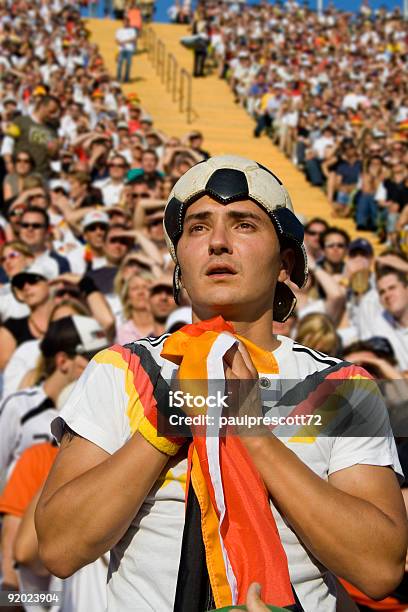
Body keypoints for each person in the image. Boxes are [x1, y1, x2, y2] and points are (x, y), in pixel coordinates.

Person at [35, 156, 406, 611]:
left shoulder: (342, 385)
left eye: (244, 224)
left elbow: (380, 567)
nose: (217, 243)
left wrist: (253, 430)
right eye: (197, 227)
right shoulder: (122, 369)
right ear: (179, 262)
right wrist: (165, 424)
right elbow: (58, 546)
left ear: (285, 262)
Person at [115, 17, 137, 84]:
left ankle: (126, 78)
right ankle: (118, 77)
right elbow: (116, 39)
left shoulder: (132, 30)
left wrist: (124, 41)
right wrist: (120, 43)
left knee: (128, 63)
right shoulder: (119, 30)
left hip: (129, 49)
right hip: (121, 49)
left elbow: (134, 39)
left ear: (128, 22)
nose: (125, 23)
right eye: (124, 22)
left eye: (126, 22)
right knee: (120, 63)